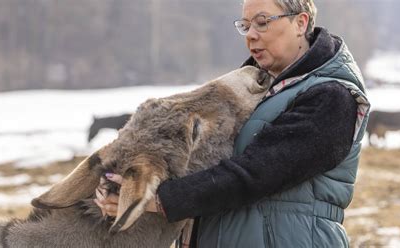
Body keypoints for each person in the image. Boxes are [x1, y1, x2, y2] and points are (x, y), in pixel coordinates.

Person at [95, 0, 370, 247]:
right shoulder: (253, 91)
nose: (251, 34)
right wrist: (130, 181)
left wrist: (159, 200)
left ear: (300, 23)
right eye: (245, 25)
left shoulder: (331, 97)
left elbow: (256, 174)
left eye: (262, 22)